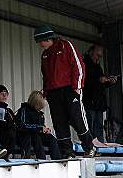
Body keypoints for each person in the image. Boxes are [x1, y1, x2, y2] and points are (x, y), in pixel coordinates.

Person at [33, 24, 95, 158]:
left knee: (77, 119)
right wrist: (46, 93)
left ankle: (89, 147)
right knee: (59, 123)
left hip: (70, 89)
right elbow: (45, 75)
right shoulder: (45, 55)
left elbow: (78, 65)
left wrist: (77, 86)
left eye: (41, 41)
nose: (40, 45)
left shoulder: (65, 45)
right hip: (53, 93)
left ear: (47, 38)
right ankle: (67, 153)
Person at [82, 44, 117, 142]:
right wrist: (99, 80)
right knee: (90, 125)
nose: (98, 57)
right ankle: (90, 145)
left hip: (99, 102)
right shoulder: (84, 64)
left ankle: (100, 146)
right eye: (97, 55)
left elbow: (101, 85)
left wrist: (109, 82)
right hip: (89, 100)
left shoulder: (98, 67)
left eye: (100, 56)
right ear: (91, 52)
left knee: (99, 126)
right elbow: (83, 82)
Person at [15, 90, 61, 160]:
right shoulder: (24, 110)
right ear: (34, 103)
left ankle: (57, 159)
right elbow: (22, 125)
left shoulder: (40, 114)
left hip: (37, 133)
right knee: (36, 138)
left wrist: (45, 129)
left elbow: (41, 126)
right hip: (25, 134)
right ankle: (41, 159)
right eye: (39, 106)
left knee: (52, 138)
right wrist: (39, 128)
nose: (40, 108)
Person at [0, 85, 17, 157]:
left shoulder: (8, 110)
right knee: (10, 132)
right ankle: (8, 154)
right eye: (1, 93)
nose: (4, 95)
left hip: (11, 133)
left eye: (6, 93)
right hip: (0, 133)